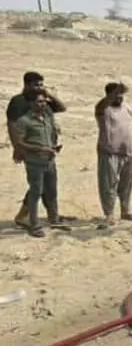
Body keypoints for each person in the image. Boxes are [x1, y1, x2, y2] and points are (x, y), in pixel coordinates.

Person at [5, 71, 67, 228]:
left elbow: (62, 108)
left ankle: (53, 215)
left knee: (48, 184)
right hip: (31, 149)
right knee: (37, 186)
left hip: (48, 149)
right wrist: (17, 148)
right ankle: (24, 216)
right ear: (27, 84)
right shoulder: (18, 102)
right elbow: (12, 125)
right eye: (36, 84)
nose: (39, 87)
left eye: (41, 84)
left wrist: (49, 95)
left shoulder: (42, 99)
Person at [94, 82, 132, 228]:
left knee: (126, 184)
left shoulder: (127, 108)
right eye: (117, 94)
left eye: (121, 94)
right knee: (108, 184)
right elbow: (100, 106)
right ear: (109, 95)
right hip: (109, 151)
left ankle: (125, 211)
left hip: (128, 152)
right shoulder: (104, 109)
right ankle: (109, 214)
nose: (120, 97)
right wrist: (114, 93)